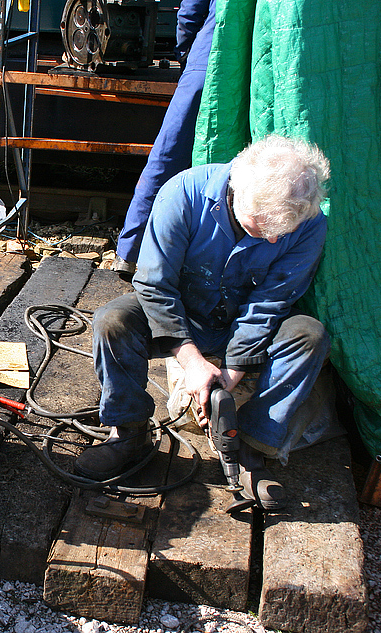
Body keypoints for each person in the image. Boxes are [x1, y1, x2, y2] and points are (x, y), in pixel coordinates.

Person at [77, 135, 331, 510]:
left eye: (284, 231)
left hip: (246, 326)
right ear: (239, 194)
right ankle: (128, 433)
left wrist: (230, 374)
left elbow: (270, 302)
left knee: (309, 336)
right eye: (263, 228)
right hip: (183, 315)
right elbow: (153, 283)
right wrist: (193, 363)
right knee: (113, 321)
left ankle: (253, 446)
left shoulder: (308, 222)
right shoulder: (183, 193)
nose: (275, 238)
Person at [113, 0, 216, 276]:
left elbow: (191, 11)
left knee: (169, 154)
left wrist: (187, 53)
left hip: (211, 54)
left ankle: (131, 252)